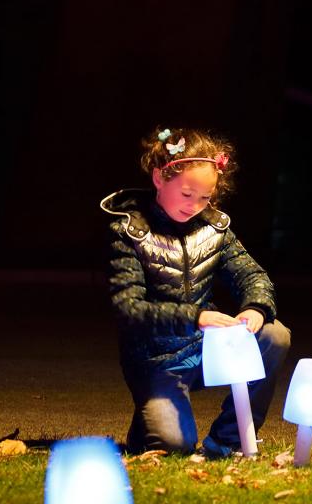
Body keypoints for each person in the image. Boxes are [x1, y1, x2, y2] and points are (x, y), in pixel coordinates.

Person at [101, 128, 291, 456]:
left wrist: (255, 309)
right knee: (174, 446)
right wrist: (197, 317)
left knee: (275, 336)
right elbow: (127, 308)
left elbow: (253, 275)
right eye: (187, 194)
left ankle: (228, 441)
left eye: (205, 197)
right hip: (156, 360)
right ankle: (149, 423)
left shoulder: (213, 227)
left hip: (206, 348)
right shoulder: (128, 231)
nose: (195, 205)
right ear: (160, 178)